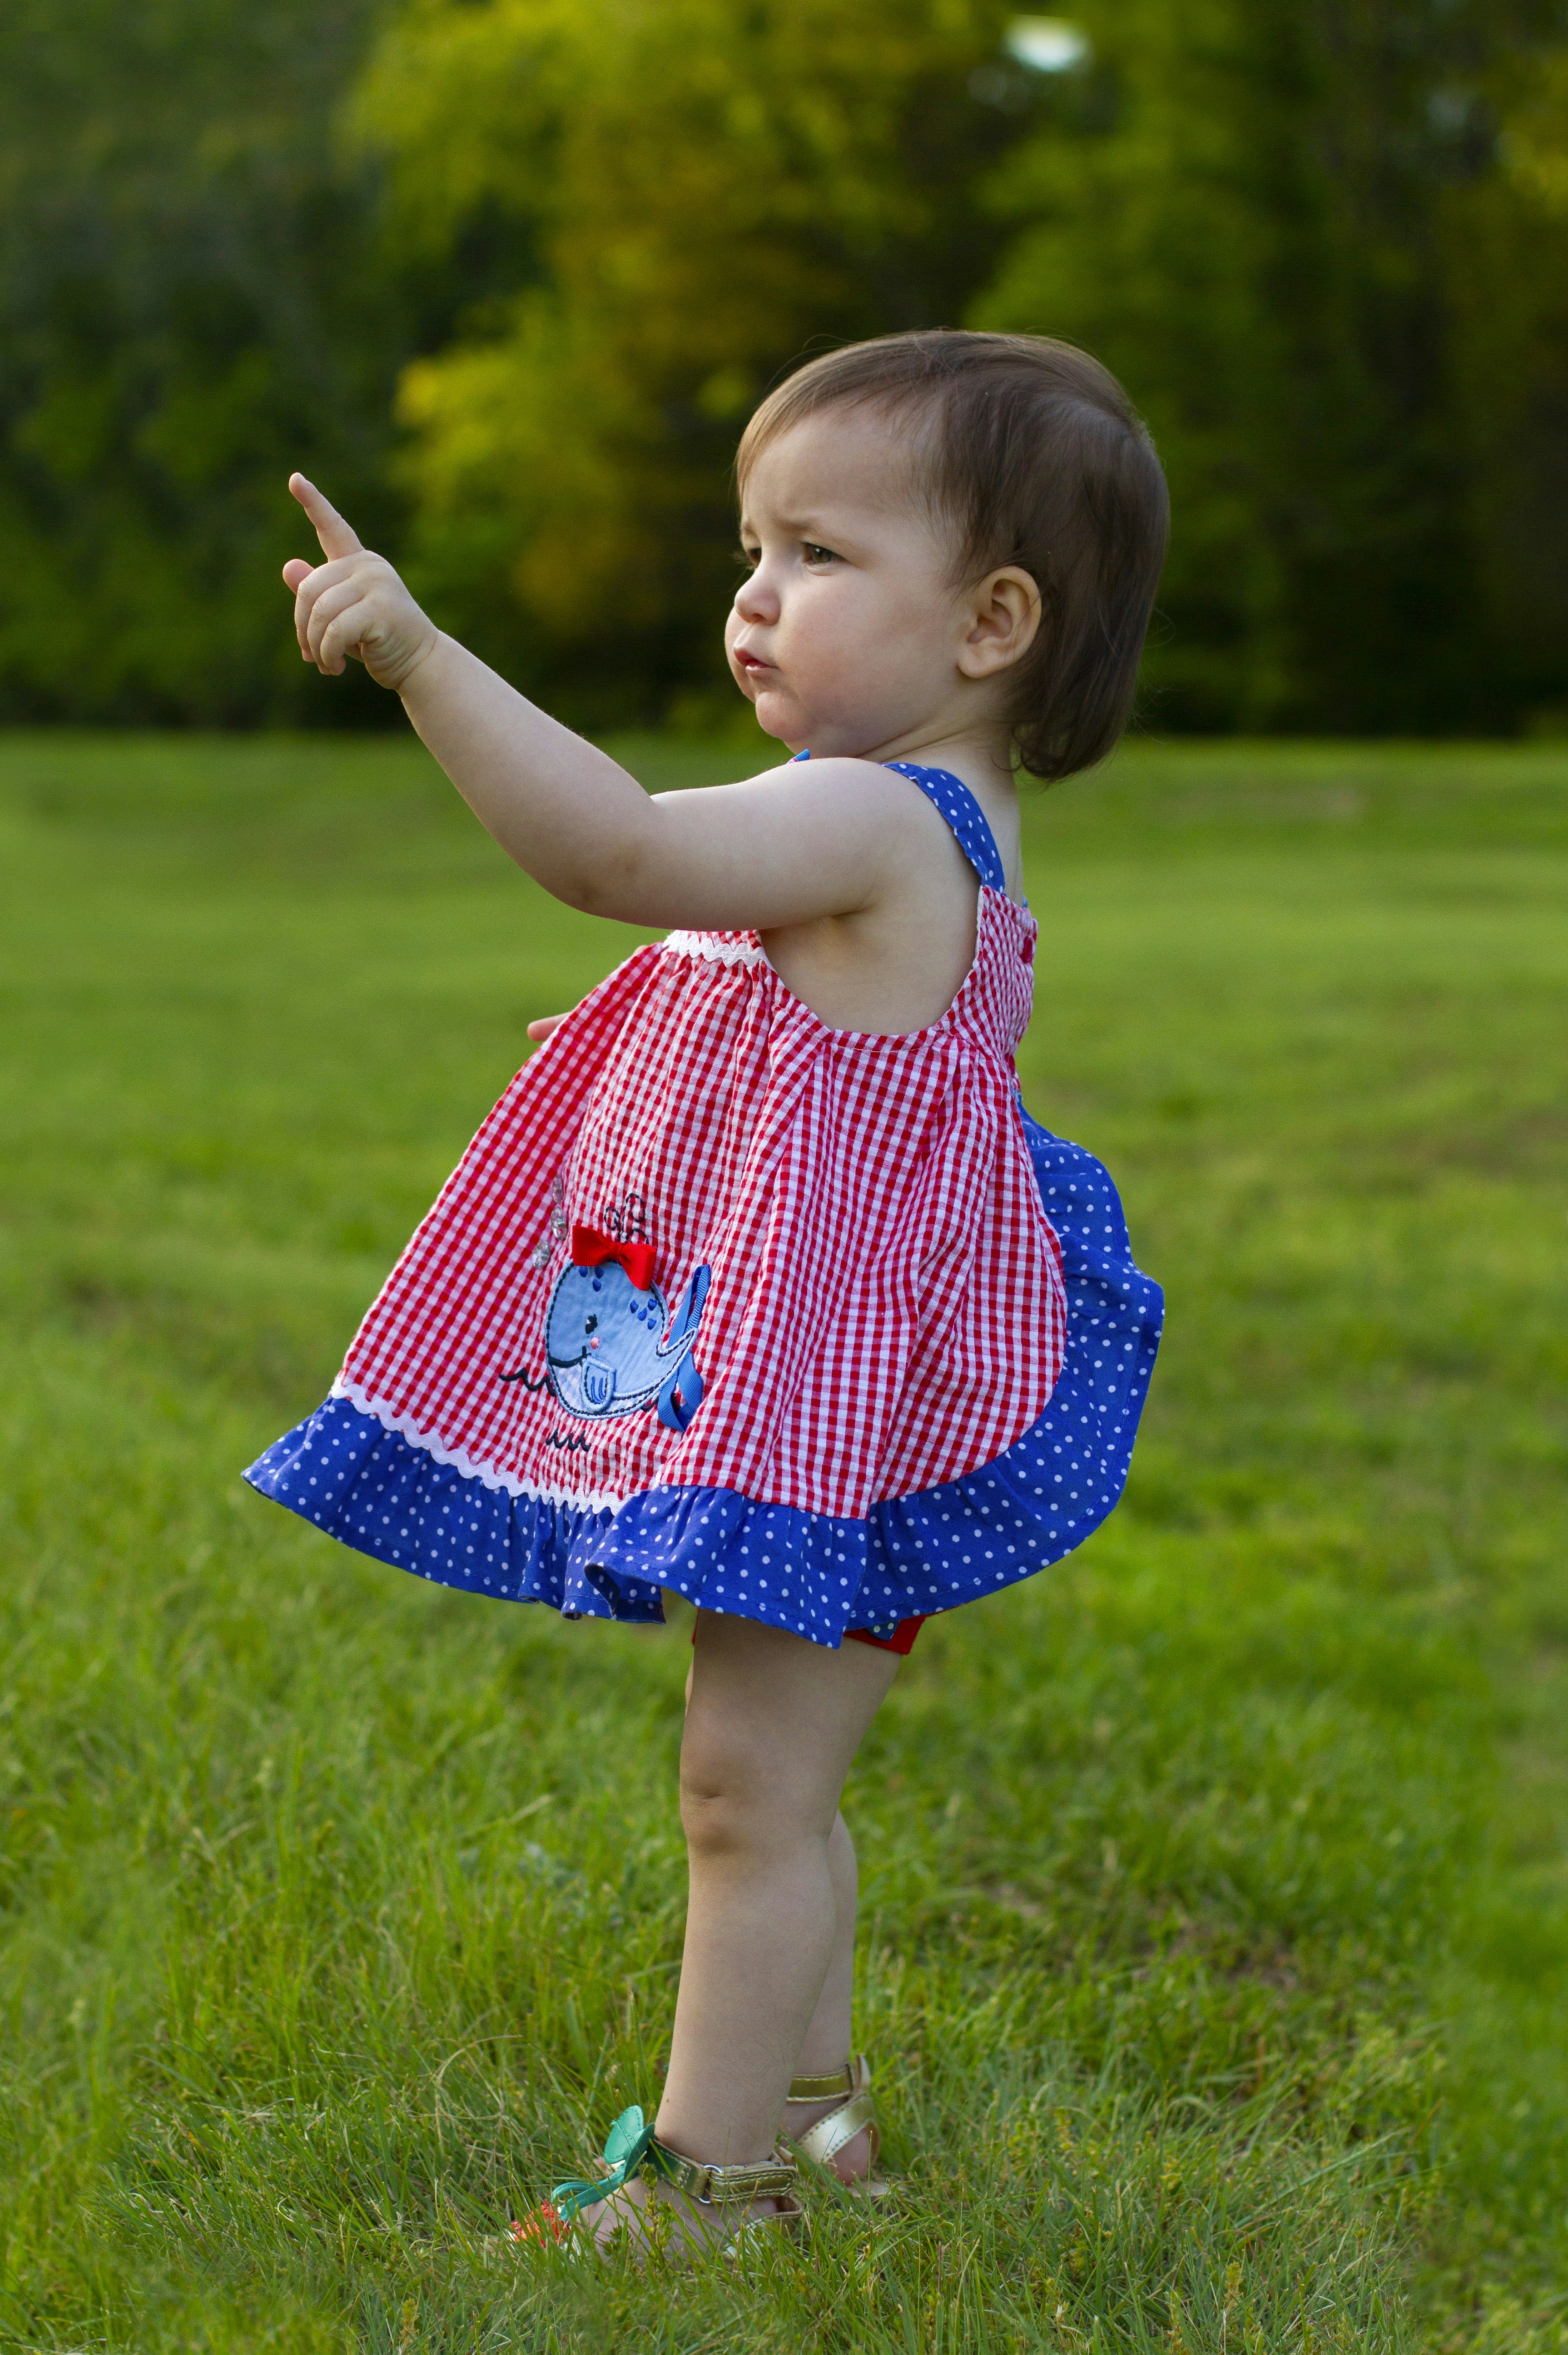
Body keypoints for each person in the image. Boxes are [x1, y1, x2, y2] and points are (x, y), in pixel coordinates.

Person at [246, 328, 1168, 2257]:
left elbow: (617, 850)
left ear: (993, 622)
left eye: (821, 555)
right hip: (856, 1394)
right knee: (777, 1780)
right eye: (752, 544)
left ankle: (705, 2185)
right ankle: (815, 2130)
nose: (757, 593)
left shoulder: (873, 822)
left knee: (743, 1790)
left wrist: (418, 653)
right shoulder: (888, 813)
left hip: (839, 1419)